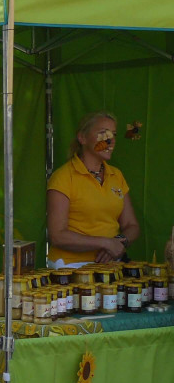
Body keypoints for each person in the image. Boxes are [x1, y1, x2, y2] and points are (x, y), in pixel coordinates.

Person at [46, 111, 140, 268]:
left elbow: (132, 225)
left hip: (110, 265)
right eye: (103, 133)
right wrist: (105, 243)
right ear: (82, 138)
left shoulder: (116, 175)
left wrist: (118, 242)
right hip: (69, 266)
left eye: (114, 135)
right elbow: (57, 236)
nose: (110, 140)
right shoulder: (63, 177)